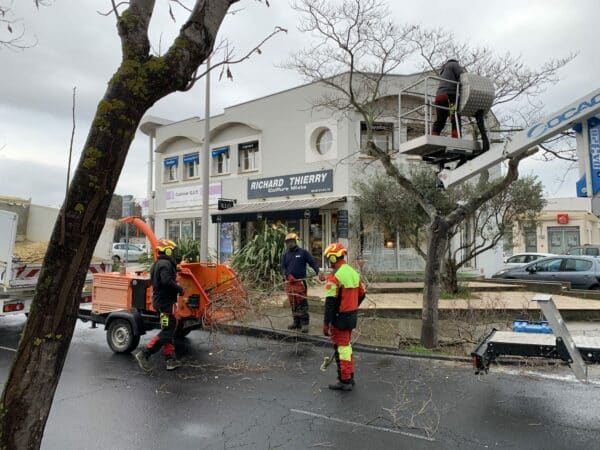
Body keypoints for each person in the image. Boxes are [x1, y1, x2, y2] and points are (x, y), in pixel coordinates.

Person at [135, 239, 184, 373]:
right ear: (167, 251)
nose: (174, 254)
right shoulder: (165, 264)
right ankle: (145, 354)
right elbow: (166, 281)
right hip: (165, 304)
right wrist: (179, 288)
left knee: (167, 329)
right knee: (168, 330)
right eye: (172, 251)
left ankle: (170, 360)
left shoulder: (160, 263)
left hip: (162, 303)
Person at [322, 242, 365, 391]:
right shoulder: (353, 272)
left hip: (339, 318)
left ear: (333, 258)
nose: (328, 262)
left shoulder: (335, 277)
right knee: (346, 347)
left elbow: (330, 303)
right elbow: (362, 294)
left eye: (329, 258)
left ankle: (345, 380)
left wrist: (326, 323)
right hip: (351, 317)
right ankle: (349, 376)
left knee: (342, 348)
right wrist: (352, 306)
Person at [280, 232, 321, 333]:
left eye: (291, 241)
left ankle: (305, 324)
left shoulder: (303, 253)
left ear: (295, 241)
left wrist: (318, 272)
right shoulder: (285, 255)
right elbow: (282, 268)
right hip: (290, 283)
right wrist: (287, 275)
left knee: (302, 303)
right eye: (288, 242)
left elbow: (312, 263)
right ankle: (296, 322)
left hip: (301, 282)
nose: (289, 244)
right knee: (293, 303)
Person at [431, 58, 465, 139]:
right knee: (455, 117)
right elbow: (463, 78)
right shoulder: (455, 65)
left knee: (440, 121)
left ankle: (434, 138)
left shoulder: (443, 69)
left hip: (439, 97)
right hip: (450, 97)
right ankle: (456, 138)